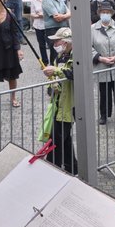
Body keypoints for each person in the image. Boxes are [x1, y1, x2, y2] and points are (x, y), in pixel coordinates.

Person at [42, 28, 78, 173]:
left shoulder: (76, 55)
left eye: (57, 41)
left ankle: (52, 169)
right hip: (59, 103)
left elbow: (75, 73)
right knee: (64, 138)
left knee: (57, 139)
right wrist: (53, 85)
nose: (54, 44)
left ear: (66, 41)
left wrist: (56, 71)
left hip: (70, 104)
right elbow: (57, 78)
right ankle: (72, 168)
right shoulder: (61, 56)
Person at [41, 0, 71, 64]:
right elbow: (57, 18)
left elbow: (70, 12)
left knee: (65, 52)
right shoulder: (47, 0)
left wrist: (64, 15)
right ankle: (54, 72)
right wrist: (66, 15)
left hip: (64, 28)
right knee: (56, 53)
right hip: (53, 29)